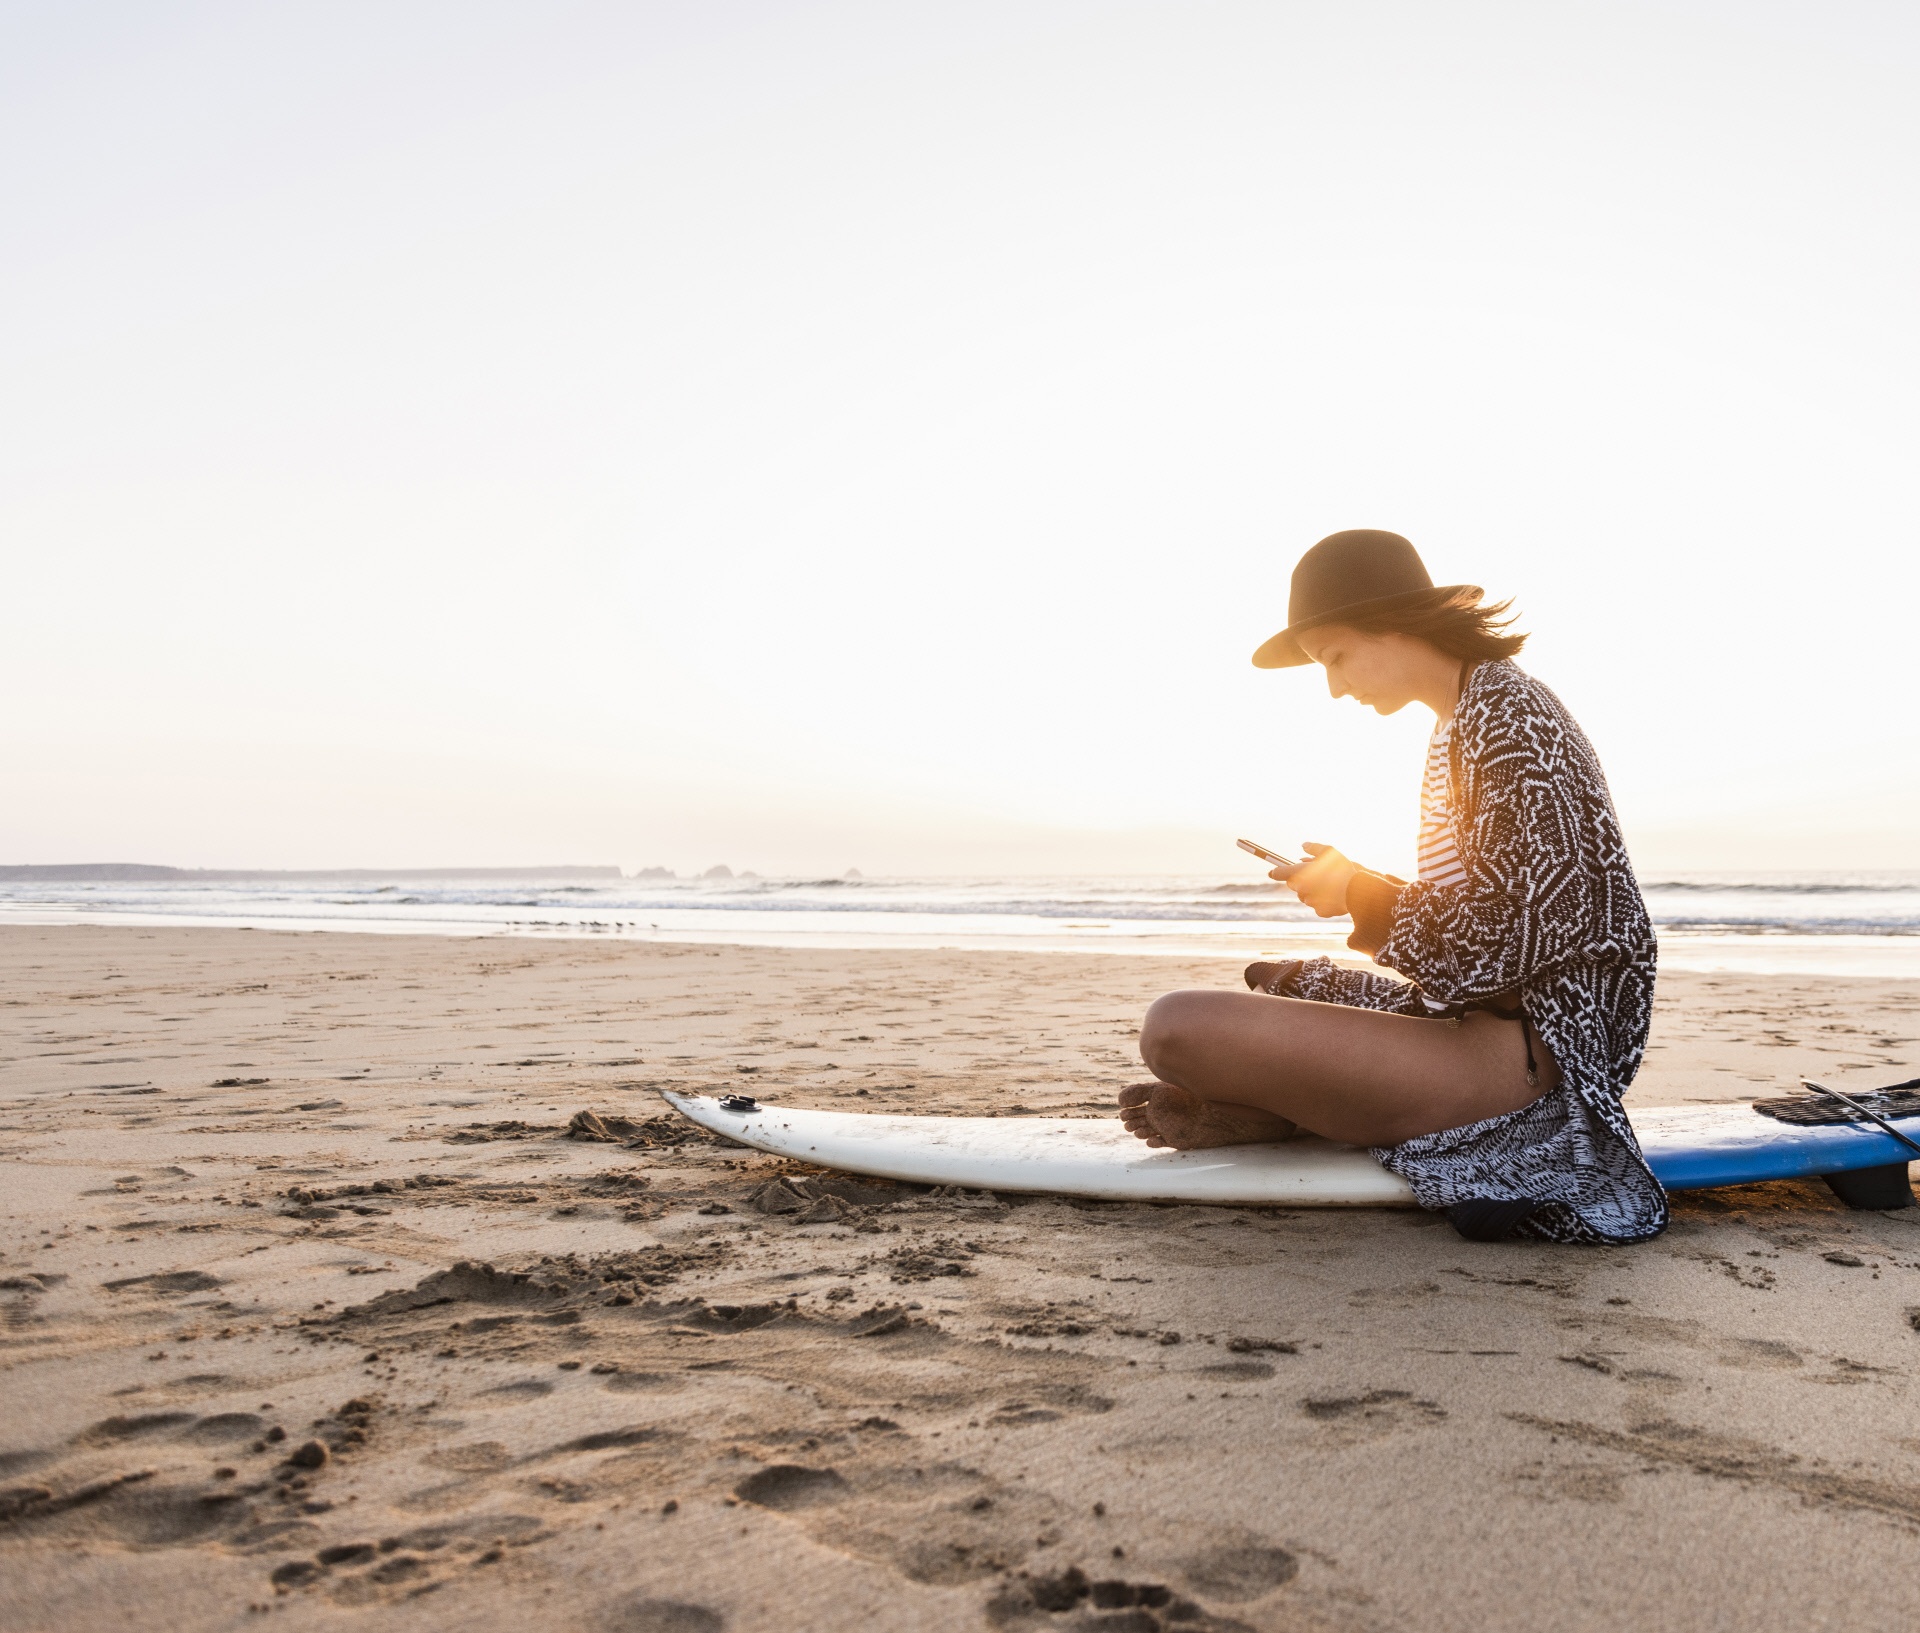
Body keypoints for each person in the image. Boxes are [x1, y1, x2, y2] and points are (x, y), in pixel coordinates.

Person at [1118, 529, 1665, 1243]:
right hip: (1480, 1026)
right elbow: (1491, 912)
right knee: (1285, 981)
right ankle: (1277, 1114)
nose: (1336, 686)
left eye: (1336, 657)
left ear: (1394, 622)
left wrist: (1359, 896)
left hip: (1537, 1058)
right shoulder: (1461, 720)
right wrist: (1361, 886)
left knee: (1177, 1027)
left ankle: (1281, 1116)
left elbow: (1517, 939)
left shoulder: (1509, 720)